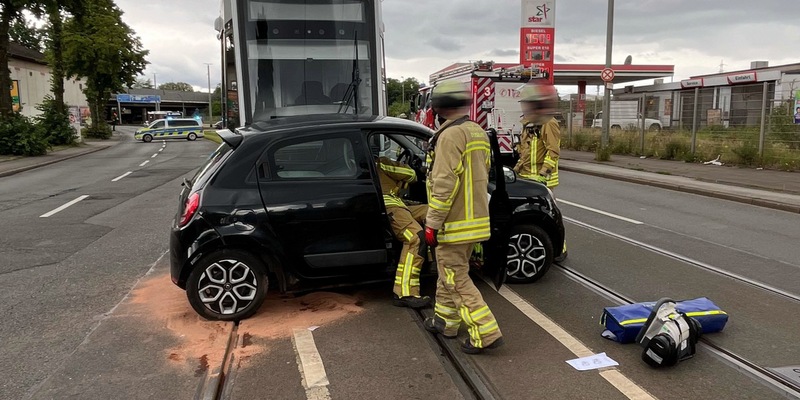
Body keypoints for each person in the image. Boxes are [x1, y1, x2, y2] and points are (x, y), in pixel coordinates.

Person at [422, 80, 504, 354]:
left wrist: (432, 223)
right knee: (449, 273)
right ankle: (446, 321)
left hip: (454, 223)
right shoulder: (476, 131)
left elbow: (444, 183)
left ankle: (486, 332)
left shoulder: (449, 136)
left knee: (455, 278)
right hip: (475, 221)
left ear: (438, 107)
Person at [513, 80, 567, 262]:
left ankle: (560, 249)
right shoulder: (528, 123)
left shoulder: (548, 123)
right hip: (527, 174)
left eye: (527, 103)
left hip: (542, 178)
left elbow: (554, 151)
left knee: (550, 216)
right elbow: (526, 150)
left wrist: (544, 174)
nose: (524, 106)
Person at [374, 144, 431, 309]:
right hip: (392, 207)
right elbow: (411, 174)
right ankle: (405, 292)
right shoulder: (382, 162)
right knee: (415, 238)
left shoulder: (374, 165)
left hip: (400, 205)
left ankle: (435, 260)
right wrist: (410, 167)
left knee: (433, 212)